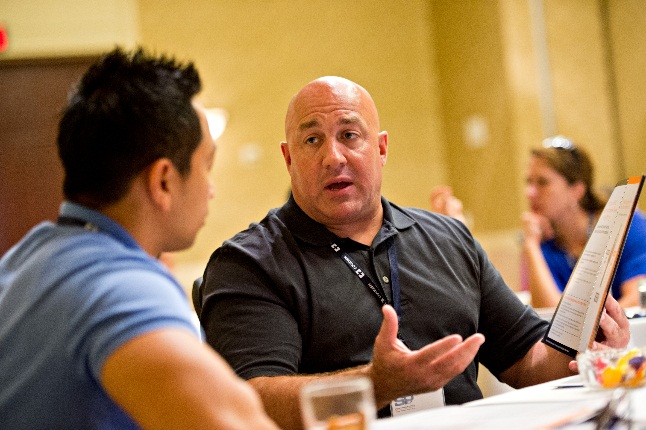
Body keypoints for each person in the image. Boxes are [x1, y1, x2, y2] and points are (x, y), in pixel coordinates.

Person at [195, 77, 630, 430]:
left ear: (381, 148)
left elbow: (529, 361)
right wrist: (372, 385)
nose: (333, 157)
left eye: (350, 135)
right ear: (289, 159)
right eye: (312, 141)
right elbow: (250, 403)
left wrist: (588, 345)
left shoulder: (448, 239)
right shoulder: (250, 263)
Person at [0, 47, 278, 430]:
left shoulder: (24, 260)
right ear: (163, 180)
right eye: (206, 167)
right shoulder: (118, 287)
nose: (210, 189)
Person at [522, 135, 646, 308]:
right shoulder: (540, 242)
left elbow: (637, 301)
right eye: (529, 182)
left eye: (543, 182)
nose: (530, 192)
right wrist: (530, 245)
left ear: (577, 190)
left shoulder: (628, 225)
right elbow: (547, 315)